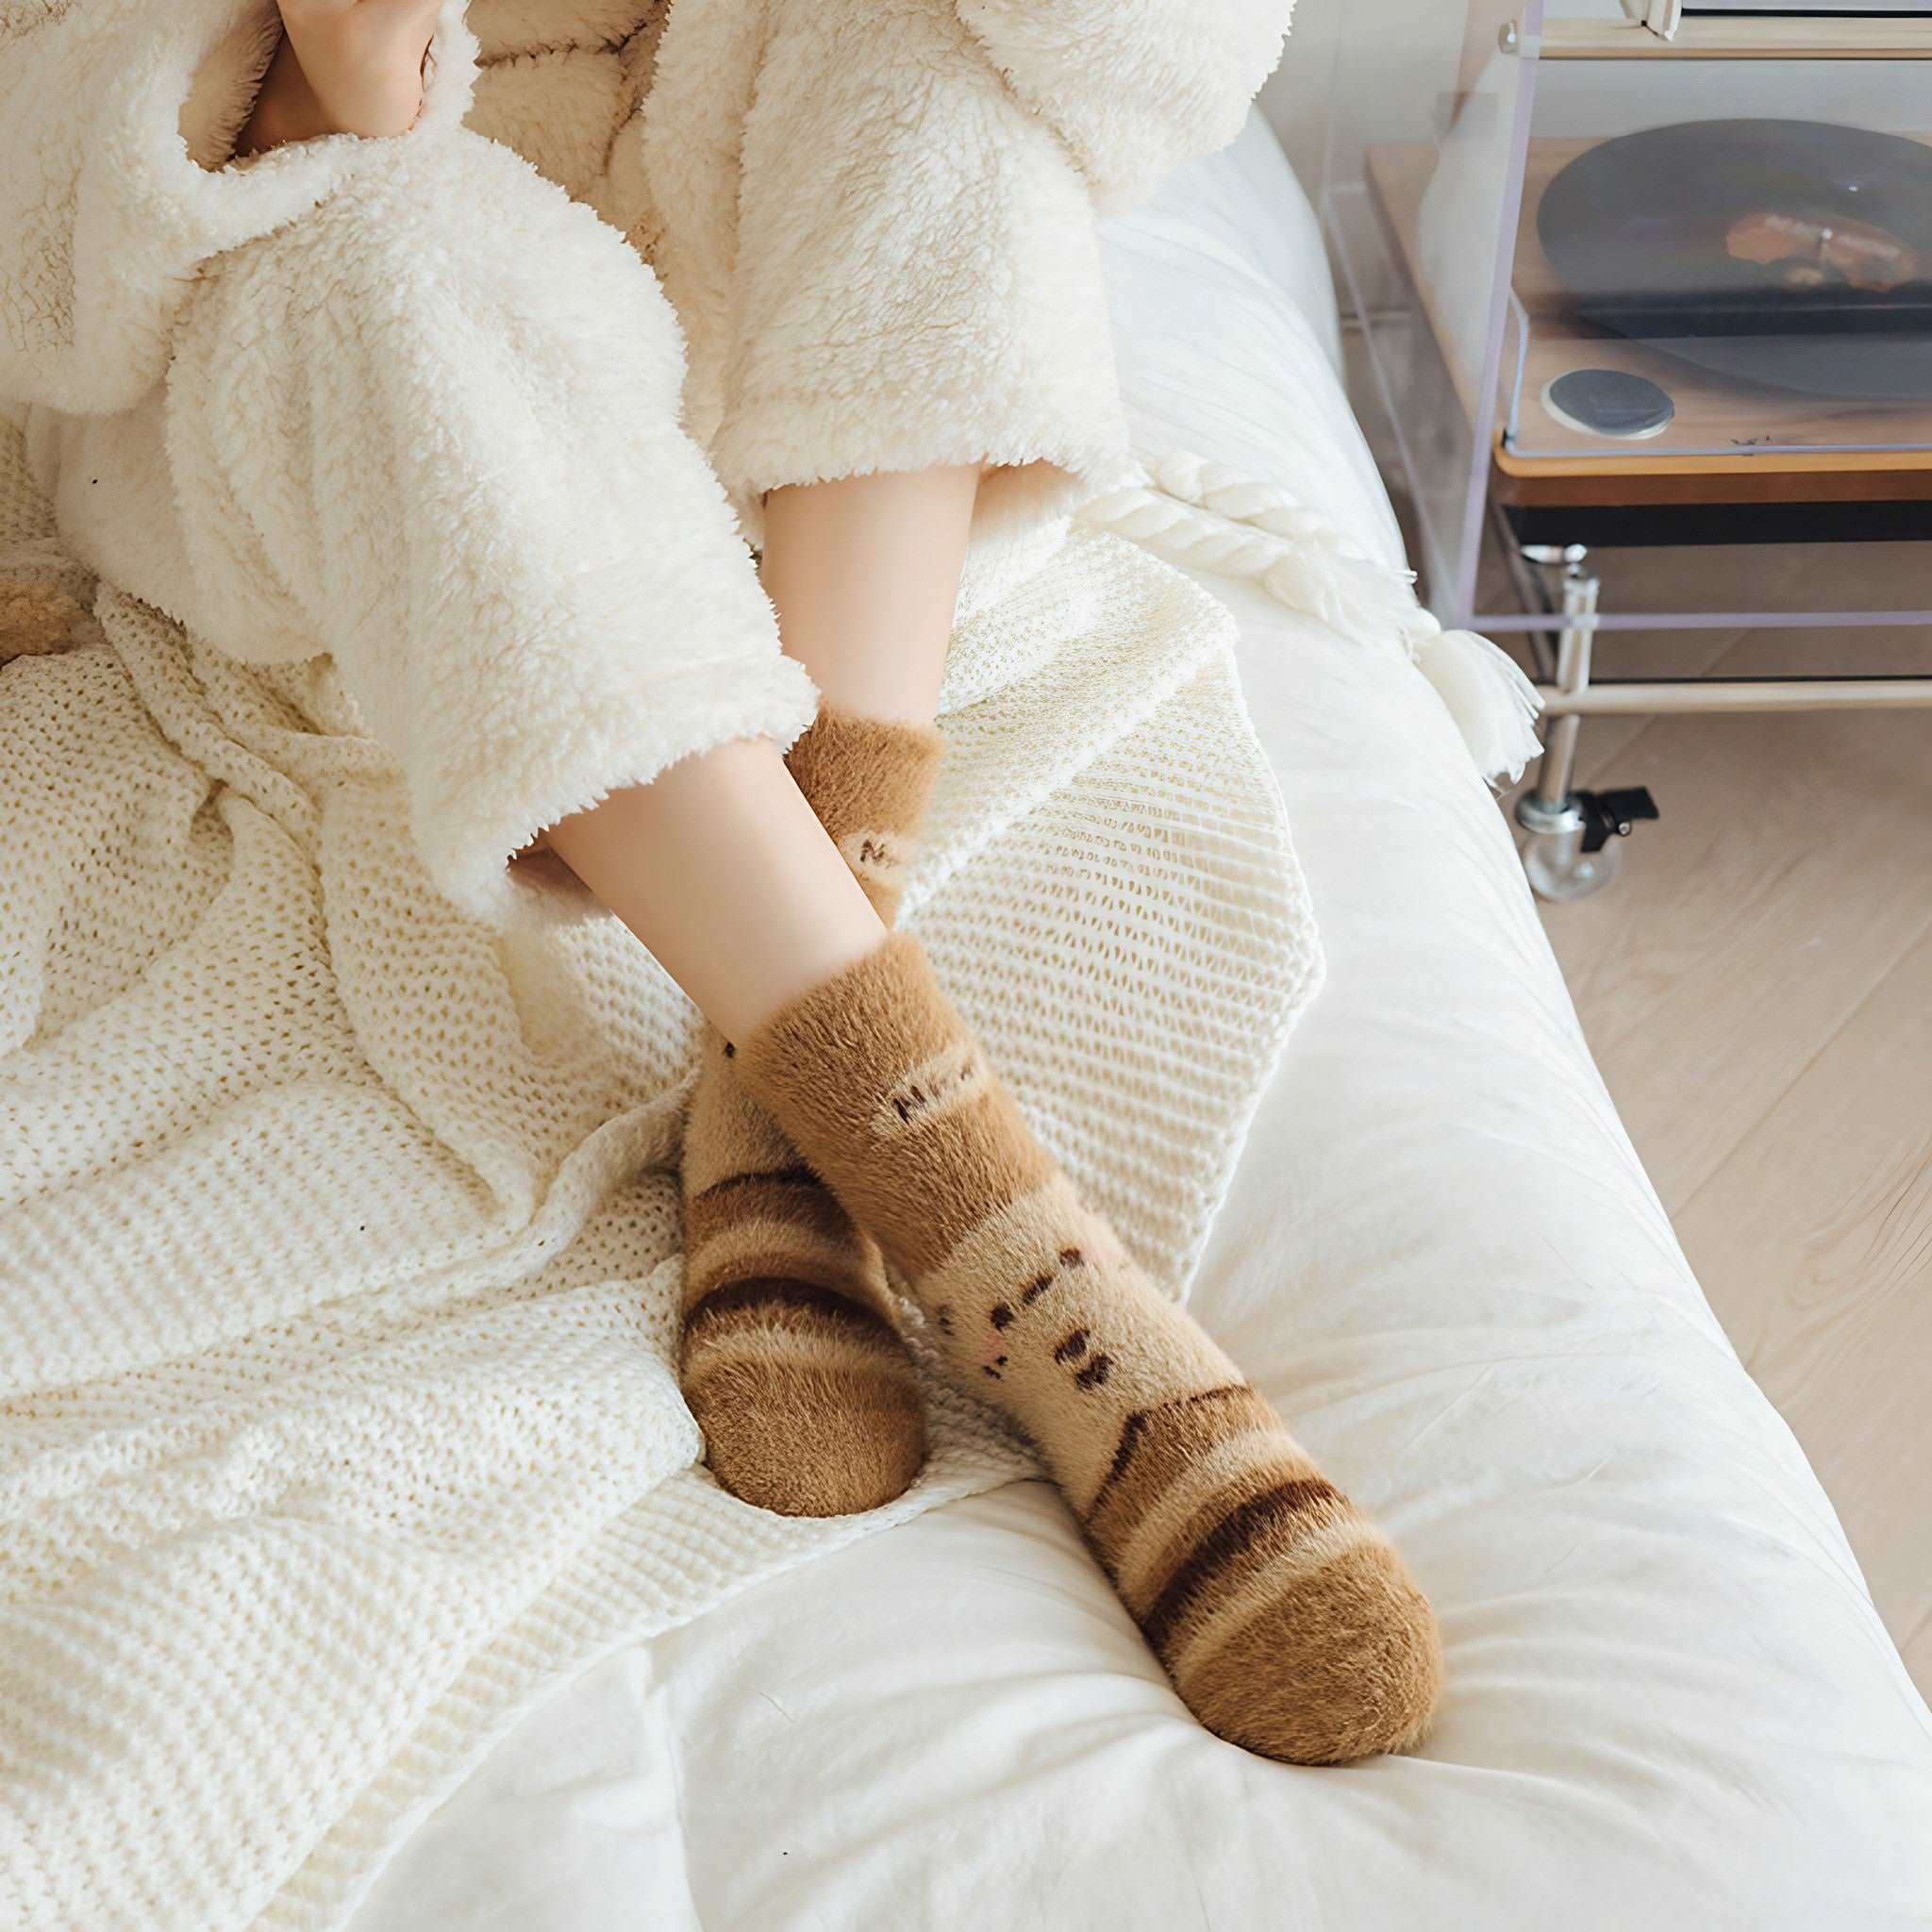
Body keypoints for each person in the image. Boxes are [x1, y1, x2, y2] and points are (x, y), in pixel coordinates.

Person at [3, 0, 1439, 1764]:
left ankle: (778, 1124)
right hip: (313, 356)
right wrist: (320, 73)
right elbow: (38, 189)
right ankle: (1015, 1257)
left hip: (720, 312)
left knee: (923, 69)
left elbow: (1148, 66)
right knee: (394, 259)